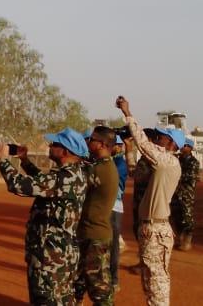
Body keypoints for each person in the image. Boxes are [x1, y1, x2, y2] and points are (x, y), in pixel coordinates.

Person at [0, 129, 89, 305]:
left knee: (46, 299)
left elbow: (18, 185)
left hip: (50, 257)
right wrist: (25, 161)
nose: (50, 146)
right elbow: (43, 182)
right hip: (63, 254)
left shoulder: (62, 178)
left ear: (65, 151)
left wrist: (3, 160)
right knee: (63, 299)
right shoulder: (74, 174)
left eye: (55, 144)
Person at [116, 96, 182, 306]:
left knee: (156, 281)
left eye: (161, 137)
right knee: (150, 280)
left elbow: (143, 144)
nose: (157, 139)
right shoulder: (161, 164)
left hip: (156, 229)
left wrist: (127, 113)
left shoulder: (168, 161)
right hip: (151, 228)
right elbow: (136, 173)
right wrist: (129, 149)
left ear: (171, 144)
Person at [74, 126, 120, 305]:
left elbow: (73, 180)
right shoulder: (101, 166)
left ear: (102, 144)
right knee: (77, 281)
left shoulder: (100, 169)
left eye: (91, 140)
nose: (88, 142)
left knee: (99, 289)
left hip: (94, 235)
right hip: (89, 232)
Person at [171, 139, 199, 251]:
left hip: (187, 194)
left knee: (187, 217)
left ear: (190, 148)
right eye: (183, 145)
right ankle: (180, 240)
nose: (183, 147)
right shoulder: (177, 159)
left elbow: (189, 176)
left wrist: (176, 175)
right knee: (176, 216)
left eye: (186, 145)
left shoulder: (193, 162)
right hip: (176, 192)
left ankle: (187, 241)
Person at [110, 135, 128, 291]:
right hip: (110, 207)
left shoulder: (119, 163)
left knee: (113, 245)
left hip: (114, 207)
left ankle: (114, 279)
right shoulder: (114, 161)